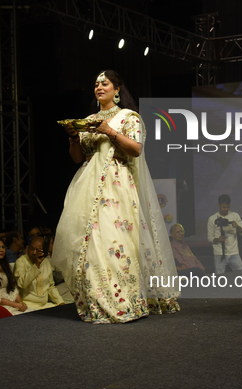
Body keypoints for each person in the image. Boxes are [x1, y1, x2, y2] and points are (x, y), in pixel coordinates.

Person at [53, 70, 180, 323]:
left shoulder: (128, 117)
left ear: (117, 89)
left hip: (116, 185)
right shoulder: (88, 119)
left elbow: (135, 150)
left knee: (115, 242)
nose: (99, 87)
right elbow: (79, 158)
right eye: (96, 84)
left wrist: (109, 131)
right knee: (89, 246)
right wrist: (73, 138)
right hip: (87, 186)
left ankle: (125, 301)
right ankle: (99, 302)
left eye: (105, 83)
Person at [15, 235, 67, 310]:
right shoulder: (21, 262)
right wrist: (36, 265)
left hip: (44, 305)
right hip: (27, 305)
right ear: (28, 247)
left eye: (38, 250)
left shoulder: (46, 262)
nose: (34, 252)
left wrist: (60, 302)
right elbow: (22, 284)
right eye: (31, 249)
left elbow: (50, 287)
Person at [207, 194, 242, 274]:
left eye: (227, 207)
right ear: (219, 205)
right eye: (223, 207)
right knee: (219, 277)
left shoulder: (235, 216)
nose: (226, 209)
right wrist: (218, 239)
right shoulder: (212, 219)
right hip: (219, 253)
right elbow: (209, 238)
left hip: (234, 252)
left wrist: (237, 226)